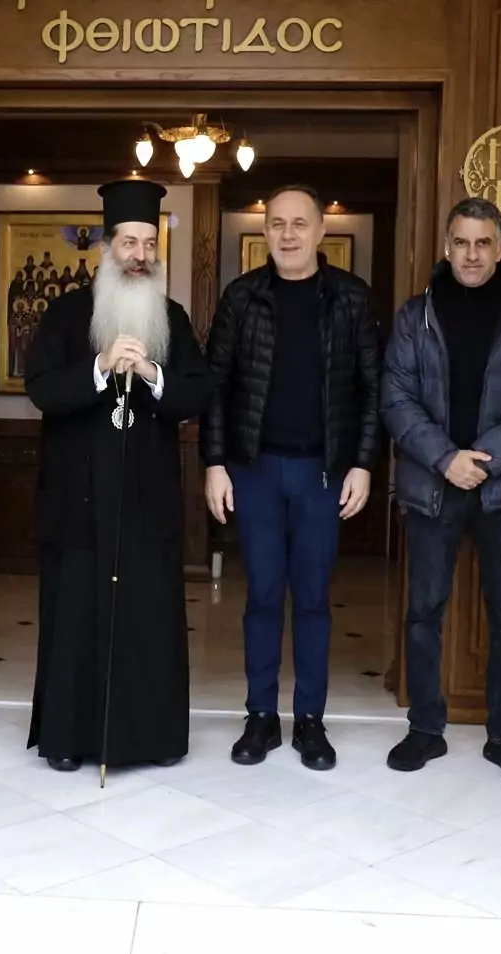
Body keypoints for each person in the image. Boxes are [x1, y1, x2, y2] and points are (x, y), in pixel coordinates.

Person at [25, 178, 214, 773]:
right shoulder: (66, 314)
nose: (140, 255)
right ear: (106, 249)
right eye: (129, 243)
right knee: (77, 615)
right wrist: (100, 368)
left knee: (147, 619)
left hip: (146, 503)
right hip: (79, 502)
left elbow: (198, 393)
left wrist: (154, 375)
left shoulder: (171, 318)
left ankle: (152, 739)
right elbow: (41, 390)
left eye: (149, 245)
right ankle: (69, 738)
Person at [381, 196, 501, 784]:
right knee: (423, 612)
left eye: (483, 242)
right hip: (433, 485)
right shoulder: (416, 315)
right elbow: (396, 398)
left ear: (500, 247)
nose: (471, 254)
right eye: (461, 242)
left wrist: (484, 459)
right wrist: (445, 458)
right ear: (446, 246)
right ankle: (425, 729)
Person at [201, 183, 380, 771]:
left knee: (312, 600)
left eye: (299, 223)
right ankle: (260, 717)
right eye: (277, 223)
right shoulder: (242, 297)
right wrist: (214, 463)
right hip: (254, 471)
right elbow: (215, 388)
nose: (288, 234)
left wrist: (363, 463)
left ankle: (309, 721)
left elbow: (373, 389)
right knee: (261, 597)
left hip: (323, 474)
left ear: (321, 231)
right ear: (265, 232)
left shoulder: (350, 298)